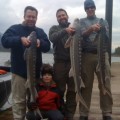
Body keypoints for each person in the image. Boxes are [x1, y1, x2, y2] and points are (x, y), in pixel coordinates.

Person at [1, 6, 50, 120]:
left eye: (34, 17)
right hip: (18, 73)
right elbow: (4, 41)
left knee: (33, 102)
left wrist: (40, 42)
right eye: (29, 16)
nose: (31, 19)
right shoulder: (15, 29)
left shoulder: (40, 31)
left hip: (35, 74)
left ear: (36, 18)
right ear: (24, 16)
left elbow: (47, 46)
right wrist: (19, 39)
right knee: (18, 101)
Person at [79, 0, 113, 120]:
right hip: (87, 56)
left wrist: (102, 30)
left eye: (92, 7)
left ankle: (107, 112)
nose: (90, 9)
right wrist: (90, 29)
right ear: (85, 9)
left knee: (106, 82)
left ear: (95, 8)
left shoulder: (103, 21)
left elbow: (107, 38)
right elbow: (81, 36)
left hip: (102, 54)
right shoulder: (81, 22)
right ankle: (83, 113)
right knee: (86, 85)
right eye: (87, 7)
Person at [49, 8, 76, 120]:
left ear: (67, 16)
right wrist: (65, 30)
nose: (61, 17)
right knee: (59, 90)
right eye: (59, 16)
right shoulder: (54, 28)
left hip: (73, 63)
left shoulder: (74, 27)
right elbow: (52, 38)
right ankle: (59, 112)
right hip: (59, 64)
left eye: (63, 15)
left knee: (72, 90)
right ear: (57, 18)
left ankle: (70, 114)